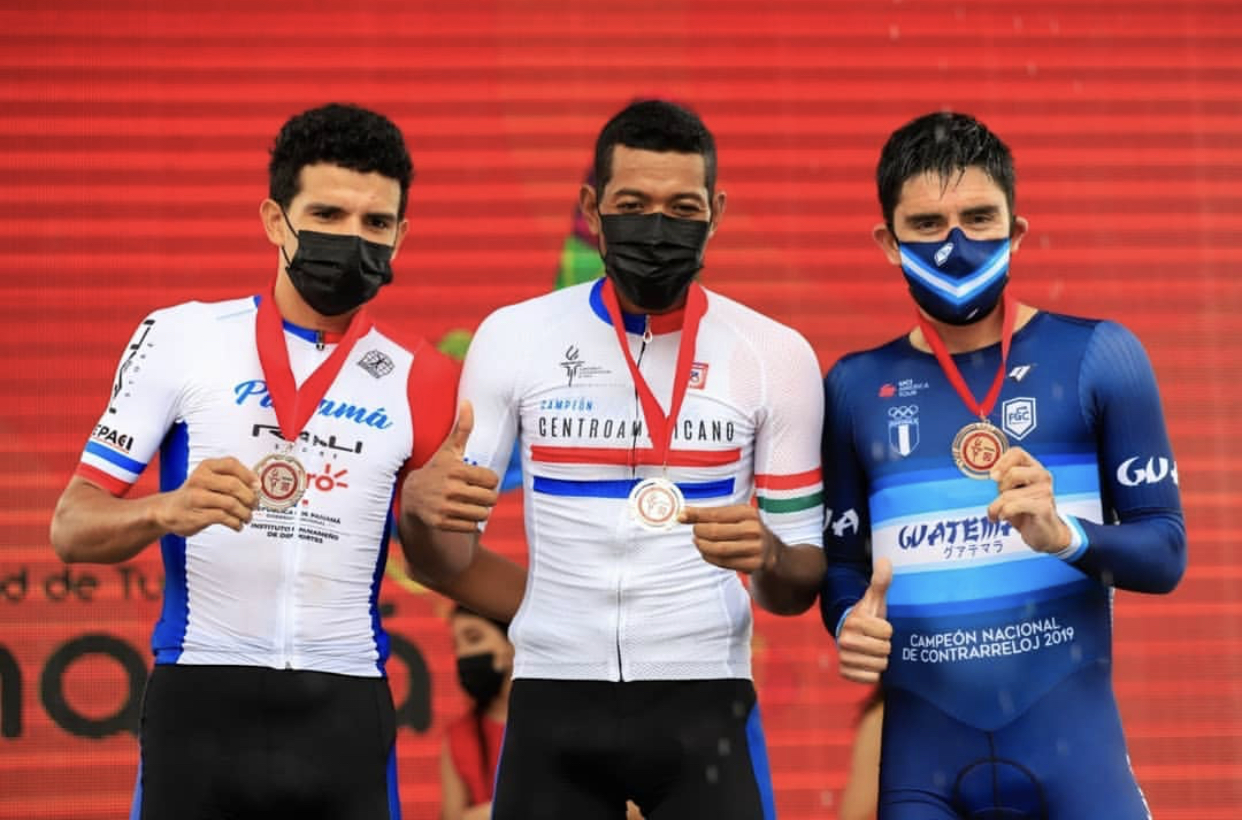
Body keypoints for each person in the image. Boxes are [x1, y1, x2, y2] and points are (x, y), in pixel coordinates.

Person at [48, 102, 523, 820]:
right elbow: (71, 527)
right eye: (327, 214)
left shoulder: (422, 376)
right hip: (200, 698)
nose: (352, 238)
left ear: (401, 235)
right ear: (276, 220)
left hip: (345, 709)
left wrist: (429, 520)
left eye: (376, 223)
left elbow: (444, 565)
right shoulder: (183, 337)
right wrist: (165, 510)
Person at [403, 99, 827, 819]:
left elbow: (798, 585)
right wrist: (418, 513)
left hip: (705, 699)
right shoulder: (514, 337)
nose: (656, 228)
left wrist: (769, 556)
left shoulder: (774, 354)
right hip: (552, 697)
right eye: (632, 205)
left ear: (717, 212)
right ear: (591, 208)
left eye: (682, 208)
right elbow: (442, 560)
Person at [820, 111, 1187, 819]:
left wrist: (1065, 535)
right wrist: (845, 621)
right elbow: (842, 568)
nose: (955, 244)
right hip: (923, 767)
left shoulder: (1099, 356)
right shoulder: (855, 388)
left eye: (979, 218)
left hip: (1077, 760)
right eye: (927, 224)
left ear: (1016, 230)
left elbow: (1165, 553)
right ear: (888, 242)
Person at [440, 605, 514, 820]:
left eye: (474, 639)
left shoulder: (552, 724)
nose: (463, 654)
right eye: (456, 645)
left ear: (512, 645)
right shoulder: (460, 735)